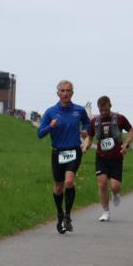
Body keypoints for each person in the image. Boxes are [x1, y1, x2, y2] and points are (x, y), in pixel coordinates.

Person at [37, 80, 91, 233]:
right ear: (58, 93)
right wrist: (50, 126)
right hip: (58, 153)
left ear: (72, 93)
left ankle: (67, 215)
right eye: (62, 91)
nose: (65, 93)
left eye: (68, 90)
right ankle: (60, 213)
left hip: (74, 150)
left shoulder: (79, 110)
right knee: (58, 187)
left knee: (69, 181)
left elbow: (88, 124)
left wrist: (85, 132)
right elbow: (40, 133)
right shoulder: (50, 112)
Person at [82, 96, 133, 222]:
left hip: (116, 158)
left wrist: (126, 144)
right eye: (101, 110)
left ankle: (115, 193)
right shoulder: (94, 121)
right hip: (101, 158)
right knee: (102, 183)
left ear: (110, 106)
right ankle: (105, 212)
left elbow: (131, 131)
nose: (104, 112)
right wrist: (86, 146)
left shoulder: (120, 118)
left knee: (115, 186)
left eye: (106, 110)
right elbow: (89, 137)